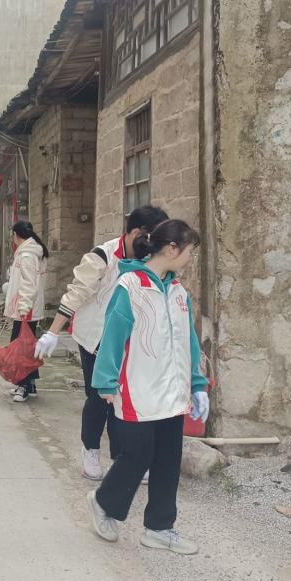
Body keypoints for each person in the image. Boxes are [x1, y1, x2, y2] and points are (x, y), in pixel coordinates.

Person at [86, 219, 208, 556]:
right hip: (138, 390)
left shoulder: (178, 291)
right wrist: (105, 381)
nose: (190, 259)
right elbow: (113, 335)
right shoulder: (131, 286)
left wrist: (197, 384)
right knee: (137, 456)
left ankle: (159, 528)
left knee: (168, 459)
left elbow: (188, 340)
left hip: (172, 393)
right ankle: (103, 503)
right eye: (189, 251)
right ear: (171, 249)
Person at [34, 206, 168, 481]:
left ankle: (123, 457)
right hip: (95, 338)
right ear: (135, 232)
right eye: (151, 237)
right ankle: (91, 449)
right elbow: (76, 294)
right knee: (99, 398)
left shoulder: (148, 259)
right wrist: (53, 332)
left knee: (126, 398)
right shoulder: (102, 256)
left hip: (129, 340)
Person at [4, 221, 49, 402]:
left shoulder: (28, 254)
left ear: (16, 235)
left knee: (20, 348)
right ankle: (30, 384)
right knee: (28, 347)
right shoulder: (31, 252)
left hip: (26, 309)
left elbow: (29, 284)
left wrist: (23, 308)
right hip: (27, 307)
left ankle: (22, 385)